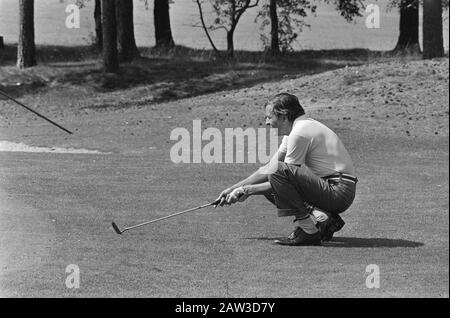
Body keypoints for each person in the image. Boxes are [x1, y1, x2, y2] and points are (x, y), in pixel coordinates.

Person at [216, 93, 357, 246]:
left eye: (270, 117)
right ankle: (323, 219)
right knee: (274, 175)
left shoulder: (300, 132)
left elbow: (282, 175)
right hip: (332, 188)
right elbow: (269, 168)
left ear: (284, 115)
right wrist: (234, 188)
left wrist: (248, 190)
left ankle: (309, 230)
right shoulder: (296, 130)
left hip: (338, 191)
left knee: (278, 174)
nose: (267, 122)